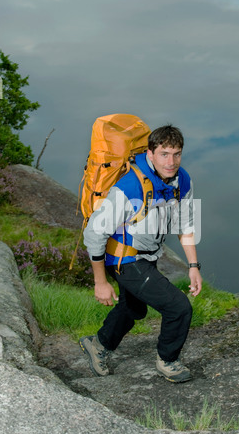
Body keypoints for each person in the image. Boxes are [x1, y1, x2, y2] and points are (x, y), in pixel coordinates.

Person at [80, 125, 202, 383]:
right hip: (125, 259)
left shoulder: (183, 181)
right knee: (178, 307)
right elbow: (94, 234)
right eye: (164, 154)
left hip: (147, 256)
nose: (171, 162)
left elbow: (186, 226)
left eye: (177, 154)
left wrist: (193, 265)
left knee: (134, 309)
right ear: (150, 153)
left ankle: (98, 345)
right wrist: (100, 282)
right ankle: (168, 362)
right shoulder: (129, 187)